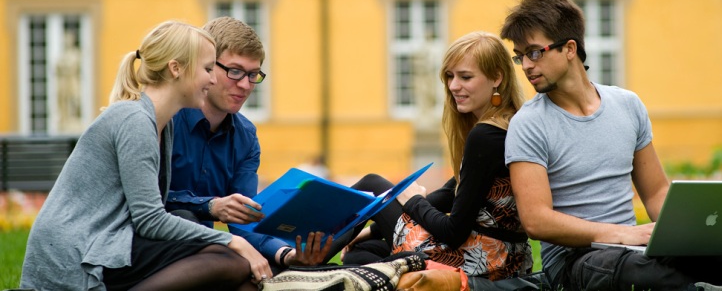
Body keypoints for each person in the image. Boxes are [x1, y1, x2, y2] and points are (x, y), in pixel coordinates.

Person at [500, 0, 722, 290]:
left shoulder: (627, 105)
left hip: (637, 247)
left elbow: (657, 191)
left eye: (535, 52)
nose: (526, 65)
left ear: (569, 48)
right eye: (520, 55)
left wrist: (690, 232)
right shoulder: (528, 124)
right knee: (626, 270)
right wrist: (619, 234)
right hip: (580, 258)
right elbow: (536, 220)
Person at [20, 20, 270, 290]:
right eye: (208, 69)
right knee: (230, 261)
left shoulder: (158, 123)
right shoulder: (135, 120)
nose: (212, 79)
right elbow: (150, 219)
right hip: (78, 253)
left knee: (238, 274)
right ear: (176, 69)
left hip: (109, 243)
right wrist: (233, 241)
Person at [341, 31, 533, 281]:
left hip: (477, 259)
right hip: (505, 258)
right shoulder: (508, 124)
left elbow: (453, 232)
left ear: (497, 77)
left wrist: (412, 201)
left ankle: (302, 258)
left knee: (372, 184)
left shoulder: (486, 135)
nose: (453, 86)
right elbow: (449, 194)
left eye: (465, 77)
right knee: (362, 255)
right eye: (450, 76)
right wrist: (374, 229)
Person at [164, 16, 331, 273]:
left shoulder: (246, 136)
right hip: (151, 246)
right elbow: (148, 204)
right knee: (188, 221)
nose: (245, 85)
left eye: (253, 75)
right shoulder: (167, 118)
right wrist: (212, 206)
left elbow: (245, 221)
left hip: (205, 253)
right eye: (235, 71)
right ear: (207, 67)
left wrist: (287, 254)